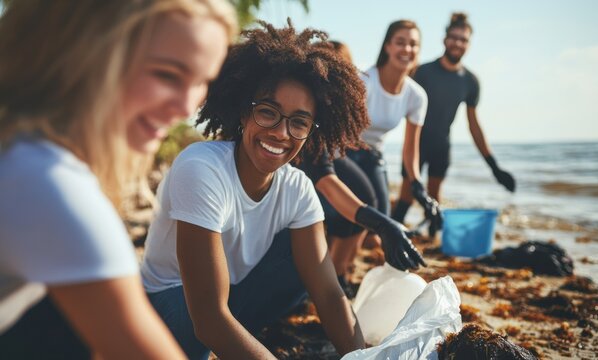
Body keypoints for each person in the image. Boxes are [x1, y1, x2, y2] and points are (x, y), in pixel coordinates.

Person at [0, 1, 236, 359]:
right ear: (85, 55)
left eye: (203, 81)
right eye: (166, 75)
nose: (188, 108)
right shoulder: (43, 179)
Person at [140, 21, 366, 359]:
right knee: (205, 322)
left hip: (227, 299)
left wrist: (362, 356)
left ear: (311, 133)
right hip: (169, 306)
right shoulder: (202, 168)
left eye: (299, 122)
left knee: (304, 262)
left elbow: (330, 295)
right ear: (245, 113)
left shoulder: (297, 187)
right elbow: (209, 318)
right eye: (268, 112)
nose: (281, 132)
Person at [297, 41, 425, 293]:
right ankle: (326, 280)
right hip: (306, 175)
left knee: (361, 209)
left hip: (351, 157)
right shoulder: (307, 109)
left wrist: (414, 186)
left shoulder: (334, 113)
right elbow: (326, 180)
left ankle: (338, 274)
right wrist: (384, 225)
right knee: (344, 216)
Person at [392, 13, 516, 233]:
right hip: (416, 145)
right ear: (444, 39)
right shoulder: (422, 71)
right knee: (407, 196)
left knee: (435, 201)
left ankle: (432, 243)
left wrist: (493, 166)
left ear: (469, 44)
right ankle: (389, 241)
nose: (458, 43)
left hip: (442, 146)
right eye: (454, 37)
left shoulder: (470, 81)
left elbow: (474, 126)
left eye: (463, 39)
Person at [347, 20, 441, 241]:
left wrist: (418, 186)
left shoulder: (416, 96)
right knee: (354, 216)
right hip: (345, 153)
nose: (407, 49)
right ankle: (340, 270)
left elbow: (410, 150)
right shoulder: (364, 82)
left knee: (382, 221)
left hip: (374, 155)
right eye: (400, 42)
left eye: (413, 44)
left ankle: (350, 266)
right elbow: (341, 132)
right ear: (388, 46)